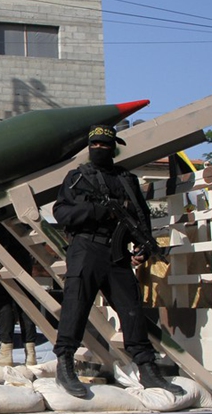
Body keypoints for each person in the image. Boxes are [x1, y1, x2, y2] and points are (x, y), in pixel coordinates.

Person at [52, 124, 184, 398]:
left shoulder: (126, 179)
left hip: (118, 252)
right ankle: (65, 365)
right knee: (75, 307)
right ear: (90, 147)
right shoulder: (78, 177)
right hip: (86, 248)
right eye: (95, 145)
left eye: (105, 145)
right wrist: (98, 211)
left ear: (114, 147)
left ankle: (147, 369)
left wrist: (145, 245)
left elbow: (140, 215)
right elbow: (61, 213)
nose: (100, 149)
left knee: (132, 311)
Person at [0, 223, 38, 367]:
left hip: (5, 259)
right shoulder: (22, 214)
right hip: (23, 261)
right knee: (24, 306)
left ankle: (6, 352)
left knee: (4, 306)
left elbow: (3, 237)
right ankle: (31, 354)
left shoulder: (2, 217)